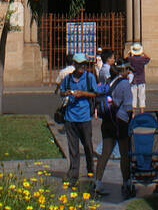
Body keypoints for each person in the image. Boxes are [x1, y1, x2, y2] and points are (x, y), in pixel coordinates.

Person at [94, 61, 134, 199]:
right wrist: (128, 120)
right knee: (124, 153)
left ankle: (98, 181)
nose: (129, 72)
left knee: (105, 153)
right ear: (122, 71)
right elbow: (128, 106)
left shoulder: (109, 81)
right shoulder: (124, 84)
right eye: (128, 70)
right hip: (120, 122)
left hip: (107, 121)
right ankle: (126, 182)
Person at [58, 52, 99, 187]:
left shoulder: (89, 77)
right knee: (73, 147)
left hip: (84, 116)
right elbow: (61, 91)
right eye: (80, 64)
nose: (82, 67)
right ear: (74, 65)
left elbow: (95, 93)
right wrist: (67, 93)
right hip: (70, 116)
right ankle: (74, 172)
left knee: (87, 144)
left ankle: (90, 168)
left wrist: (83, 93)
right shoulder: (68, 78)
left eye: (84, 64)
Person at [125, 43, 150, 112]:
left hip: (133, 80)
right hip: (141, 79)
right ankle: (142, 112)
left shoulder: (131, 59)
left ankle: (133, 113)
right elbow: (148, 58)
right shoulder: (142, 59)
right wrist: (143, 52)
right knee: (142, 97)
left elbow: (125, 58)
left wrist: (129, 52)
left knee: (133, 97)